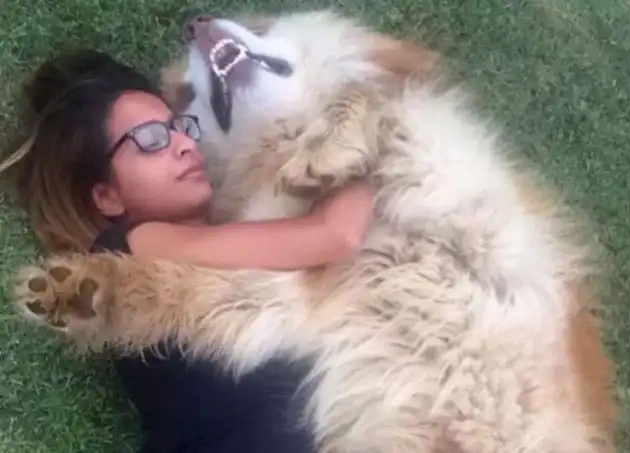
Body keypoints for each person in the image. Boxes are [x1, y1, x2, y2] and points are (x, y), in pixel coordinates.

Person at [1, 49, 375, 453]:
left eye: (180, 127)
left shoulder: (244, 239)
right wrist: (380, 142)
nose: (183, 144)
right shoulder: (133, 246)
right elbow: (335, 233)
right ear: (107, 196)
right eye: (151, 140)